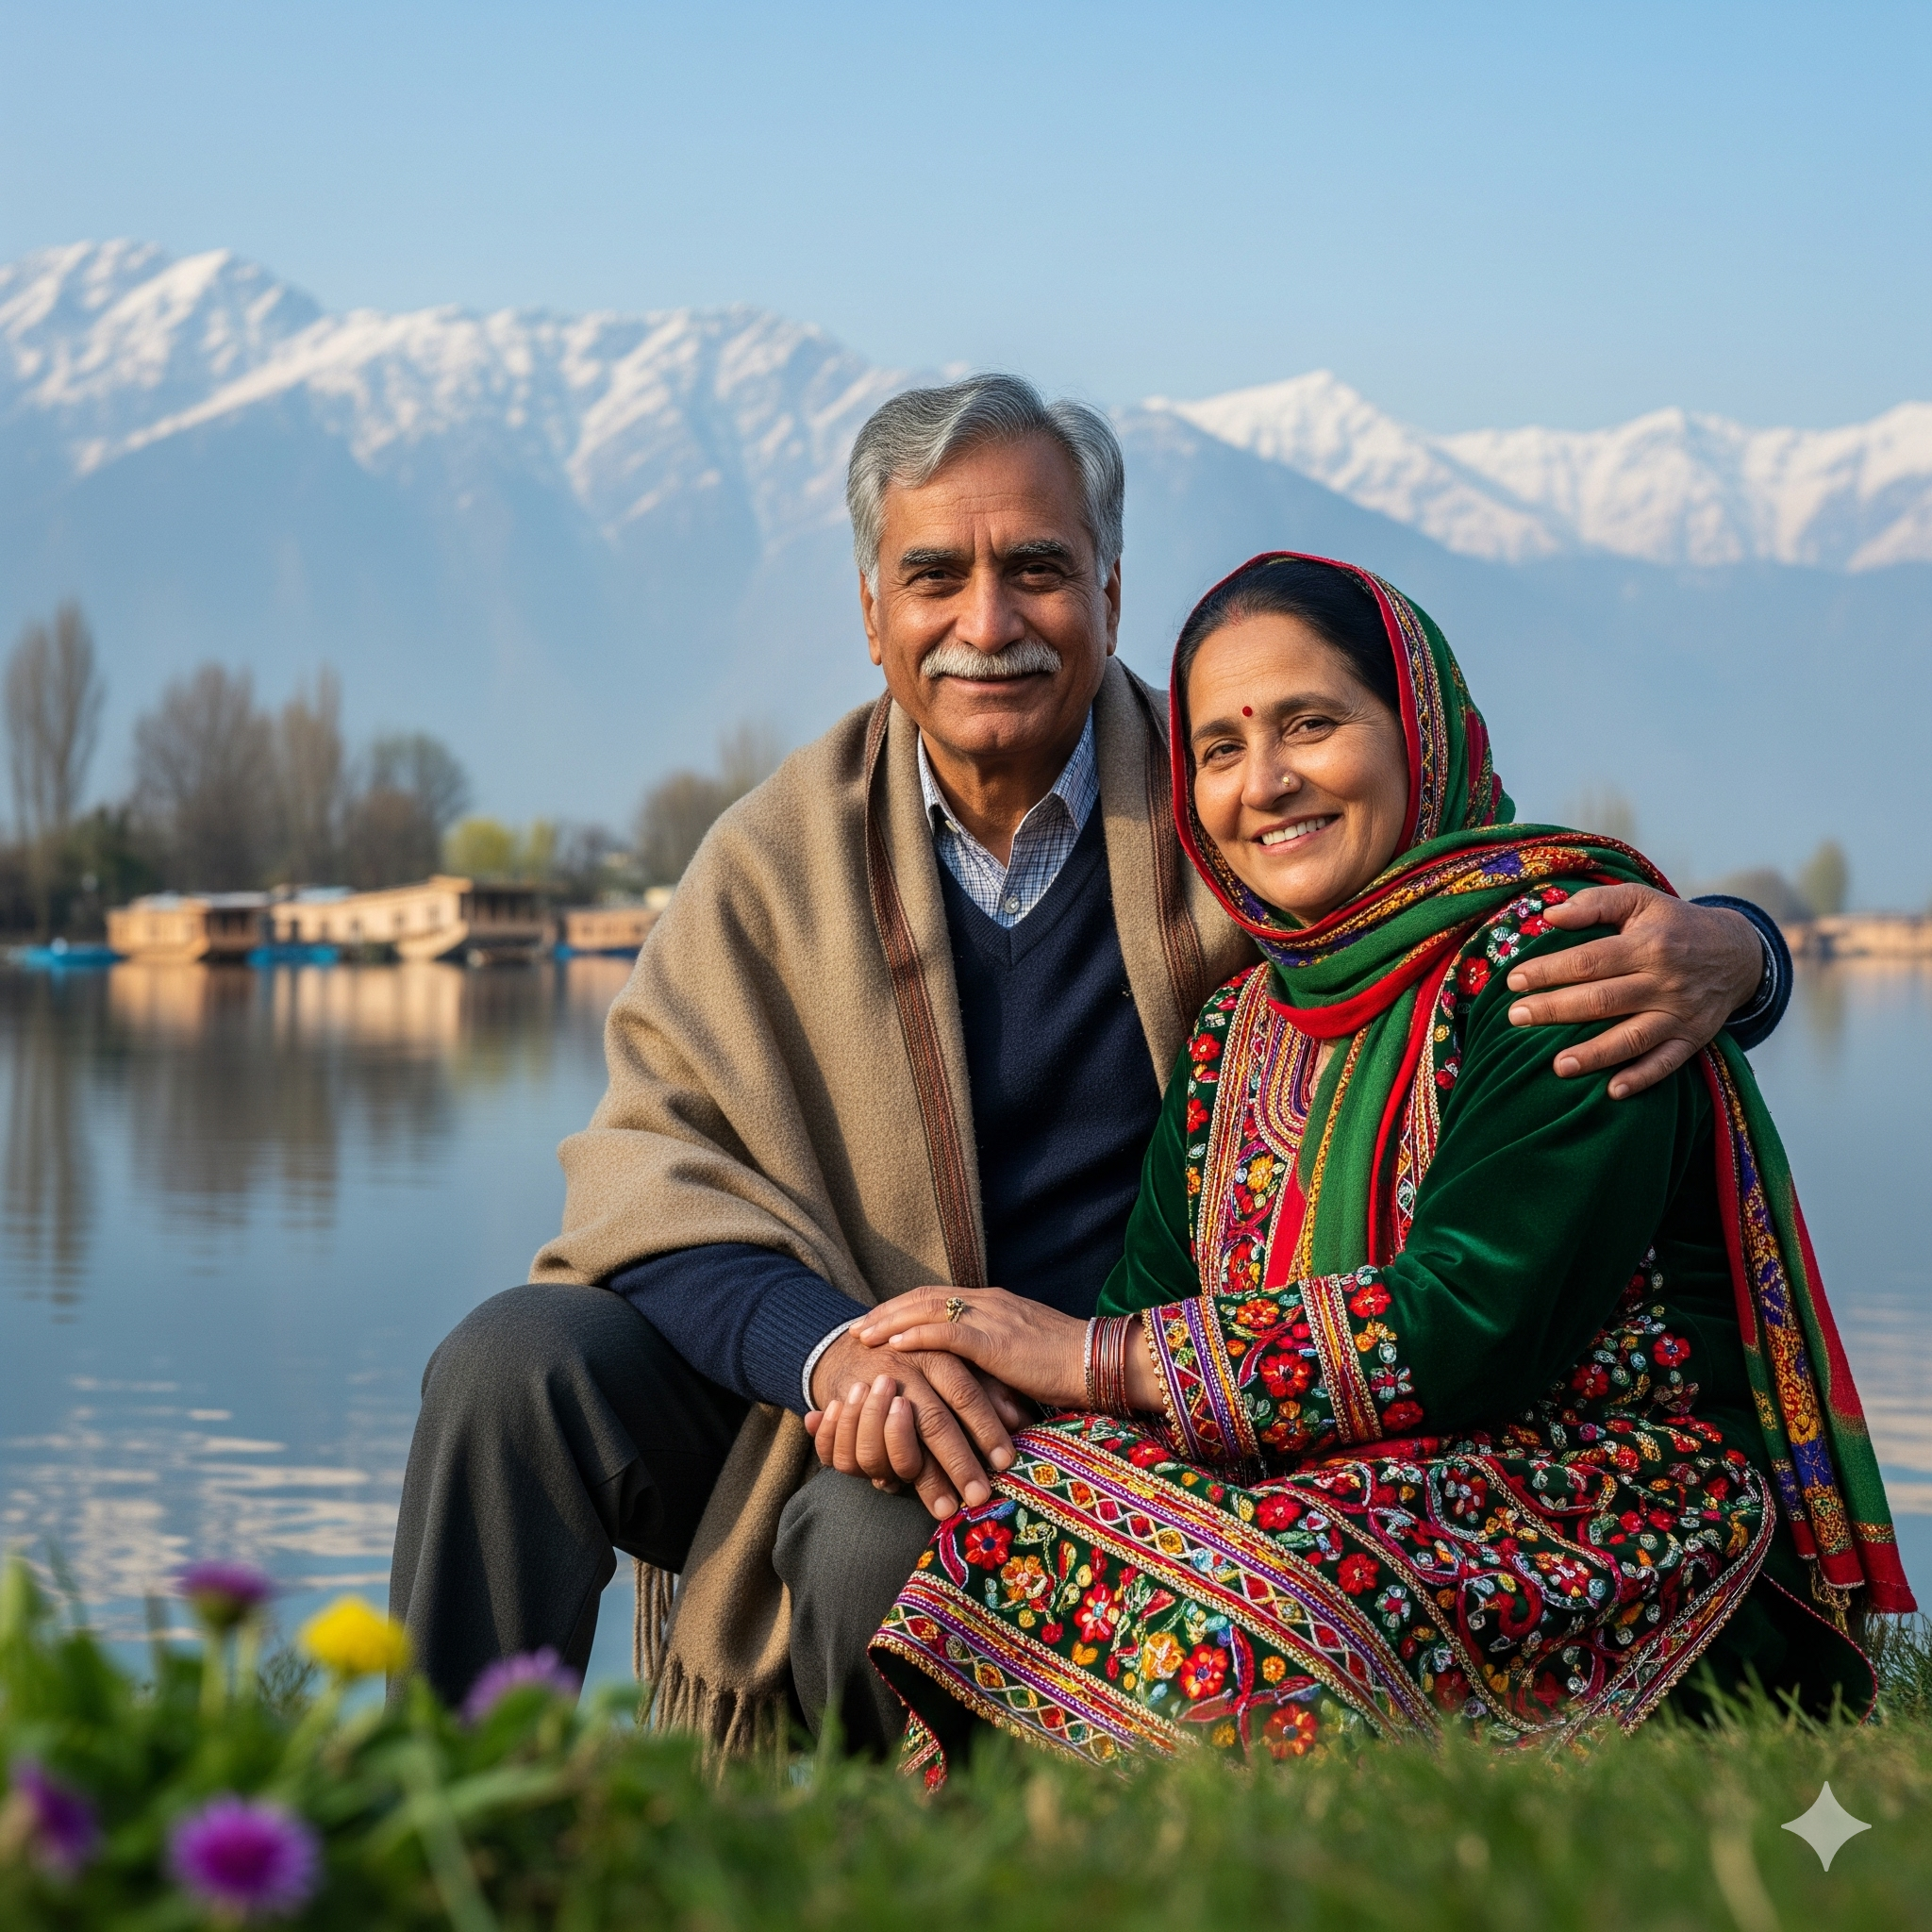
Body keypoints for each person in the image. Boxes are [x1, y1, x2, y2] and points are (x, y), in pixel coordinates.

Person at [389, 377, 1791, 1754]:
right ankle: (431, 1828)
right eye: (934, 574)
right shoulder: (771, 858)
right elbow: (649, 1177)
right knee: (515, 1365)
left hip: (1126, 1402)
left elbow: (1462, 907)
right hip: (826, 1366)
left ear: (1113, 594)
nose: (986, 624)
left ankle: (903, 1869)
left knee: (890, 1533)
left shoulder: (1236, 809)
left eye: (1040, 569)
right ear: (872, 613)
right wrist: (833, 1357)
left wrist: (1738, 948)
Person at [854, 552, 1914, 1776]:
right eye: (1219, 748)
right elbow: (1147, 1325)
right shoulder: (1235, 1031)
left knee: (1253, 1616)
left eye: (1312, 723)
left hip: (1616, 1510)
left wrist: (1080, 1355)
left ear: (1418, 729)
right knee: (995, 1507)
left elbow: (1465, 1331)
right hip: (1336, 1486)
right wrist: (928, 1371)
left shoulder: (1567, 960)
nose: (1268, 782)